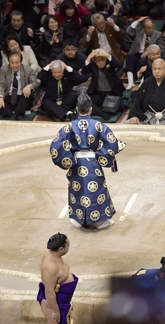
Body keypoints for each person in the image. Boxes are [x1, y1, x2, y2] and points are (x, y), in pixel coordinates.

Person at [50, 92, 123, 228]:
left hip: (76, 164)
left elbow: (56, 147)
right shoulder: (98, 125)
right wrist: (102, 156)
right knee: (96, 190)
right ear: (91, 109)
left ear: (77, 109)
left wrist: (69, 160)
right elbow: (112, 144)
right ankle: (100, 221)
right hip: (93, 163)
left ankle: (78, 220)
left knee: (77, 190)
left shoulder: (69, 126)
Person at [128, 58, 165, 125]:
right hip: (149, 116)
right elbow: (137, 100)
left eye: (159, 69)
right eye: (154, 69)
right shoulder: (147, 82)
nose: (157, 71)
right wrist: (134, 115)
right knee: (128, 124)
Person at [37, 233, 78, 324]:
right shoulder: (51, 267)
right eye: (68, 245)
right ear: (60, 249)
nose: (69, 246)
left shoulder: (53, 254)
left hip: (62, 301)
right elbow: (49, 291)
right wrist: (55, 310)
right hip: (54, 304)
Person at [0, 52, 40, 120]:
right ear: (9, 62)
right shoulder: (4, 69)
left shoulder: (28, 70)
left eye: (17, 62)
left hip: (21, 99)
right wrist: (0, 97)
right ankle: (14, 115)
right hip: (8, 97)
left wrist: (29, 86)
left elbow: (35, 83)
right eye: (12, 63)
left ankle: (13, 115)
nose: (14, 65)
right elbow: (0, 84)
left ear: (21, 62)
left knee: (27, 95)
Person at [83, 49, 125, 120]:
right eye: (99, 61)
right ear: (95, 61)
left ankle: (100, 109)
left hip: (112, 93)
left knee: (121, 106)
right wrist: (89, 57)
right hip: (99, 94)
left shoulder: (110, 62)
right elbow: (85, 71)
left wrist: (107, 55)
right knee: (87, 102)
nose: (102, 63)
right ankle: (102, 113)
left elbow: (118, 64)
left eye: (103, 60)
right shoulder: (92, 64)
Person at [125, 17, 165, 90]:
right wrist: (138, 20)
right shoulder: (138, 32)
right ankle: (130, 82)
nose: (151, 30)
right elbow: (128, 31)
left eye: (152, 27)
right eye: (149, 28)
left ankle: (143, 80)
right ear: (143, 28)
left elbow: (162, 49)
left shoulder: (158, 34)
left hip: (149, 55)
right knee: (129, 57)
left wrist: (149, 52)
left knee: (146, 60)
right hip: (137, 54)